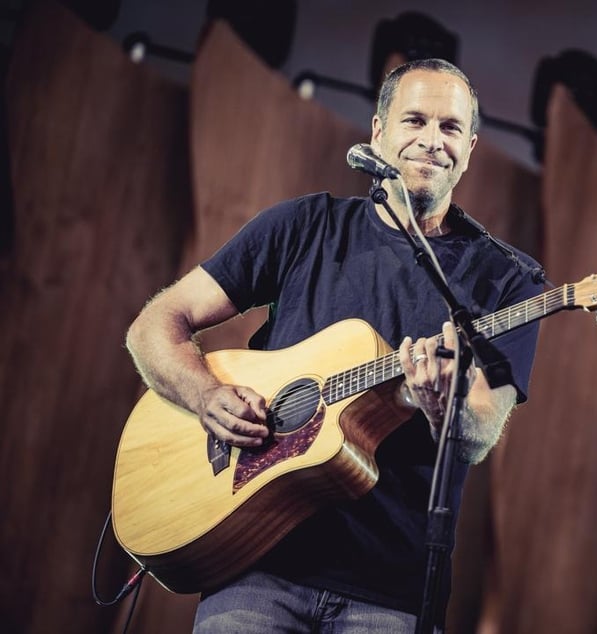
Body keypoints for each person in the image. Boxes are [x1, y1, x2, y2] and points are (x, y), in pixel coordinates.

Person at [125, 58, 542, 633]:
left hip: (391, 595)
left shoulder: (506, 280)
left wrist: (441, 405)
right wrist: (204, 396)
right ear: (377, 132)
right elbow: (155, 324)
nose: (430, 141)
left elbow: (477, 434)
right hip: (256, 567)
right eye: (414, 120)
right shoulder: (303, 228)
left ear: (470, 146)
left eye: (450, 128)